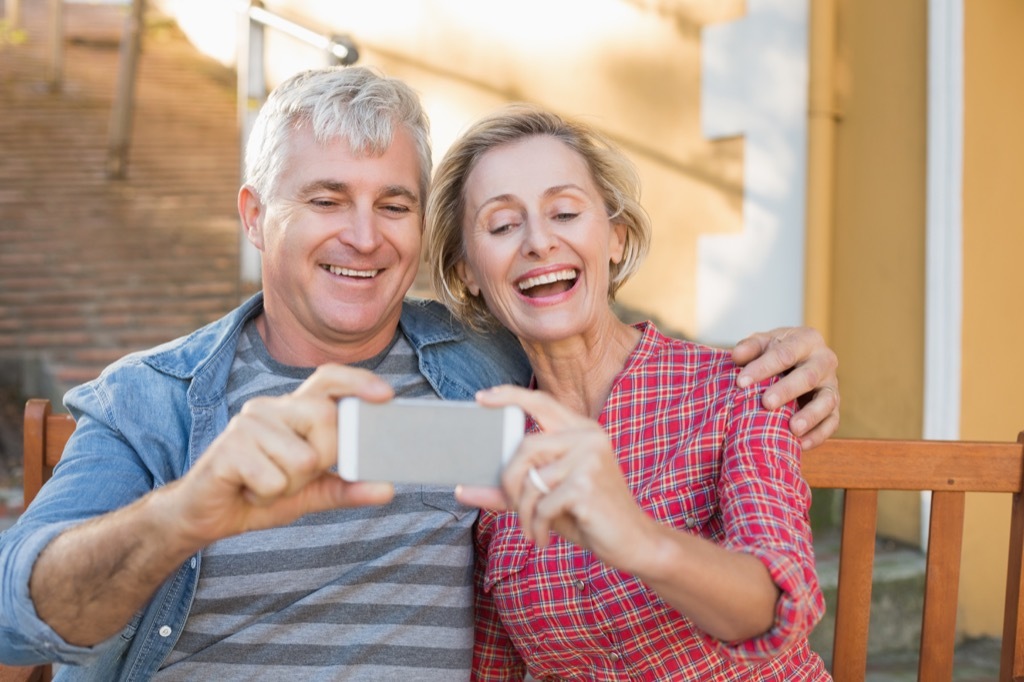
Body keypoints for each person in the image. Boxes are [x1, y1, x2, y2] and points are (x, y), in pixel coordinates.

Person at [0, 66, 836, 680]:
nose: (364, 237)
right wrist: (187, 511)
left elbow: (600, 350)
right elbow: (16, 618)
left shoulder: (484, 379)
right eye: (326, 200)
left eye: (394, 205)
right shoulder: (154, 401)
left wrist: (802, 364)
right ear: (257, 216)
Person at [424, 104, 830, 679]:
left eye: (565, 212)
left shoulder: (734, 388)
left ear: (615, 238)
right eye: (502, 225)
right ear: (467, 271)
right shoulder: (493, 450)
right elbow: (492, 667)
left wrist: (636, 538)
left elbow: (777, 604)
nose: (539, 242)